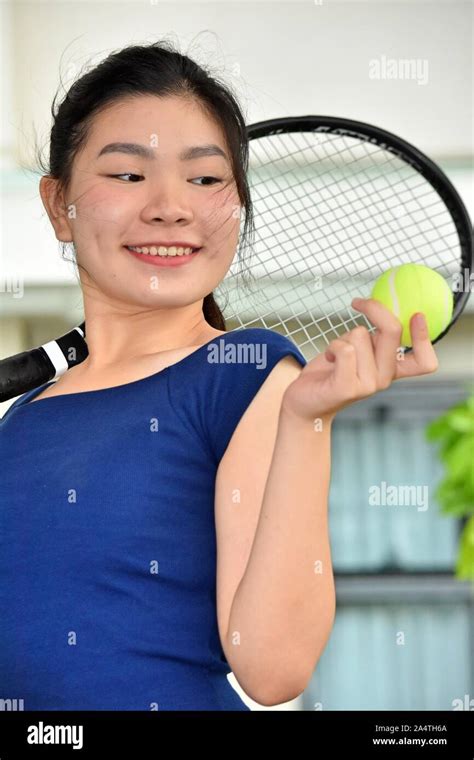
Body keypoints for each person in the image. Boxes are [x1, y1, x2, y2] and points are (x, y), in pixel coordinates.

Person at [0, 40, 440, 712]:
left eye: (205, 179)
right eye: (126, 176)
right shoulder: (25, 416)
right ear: (60, 205)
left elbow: (274, 669)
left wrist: (306, 418)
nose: (170, 206)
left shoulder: (249, 375)